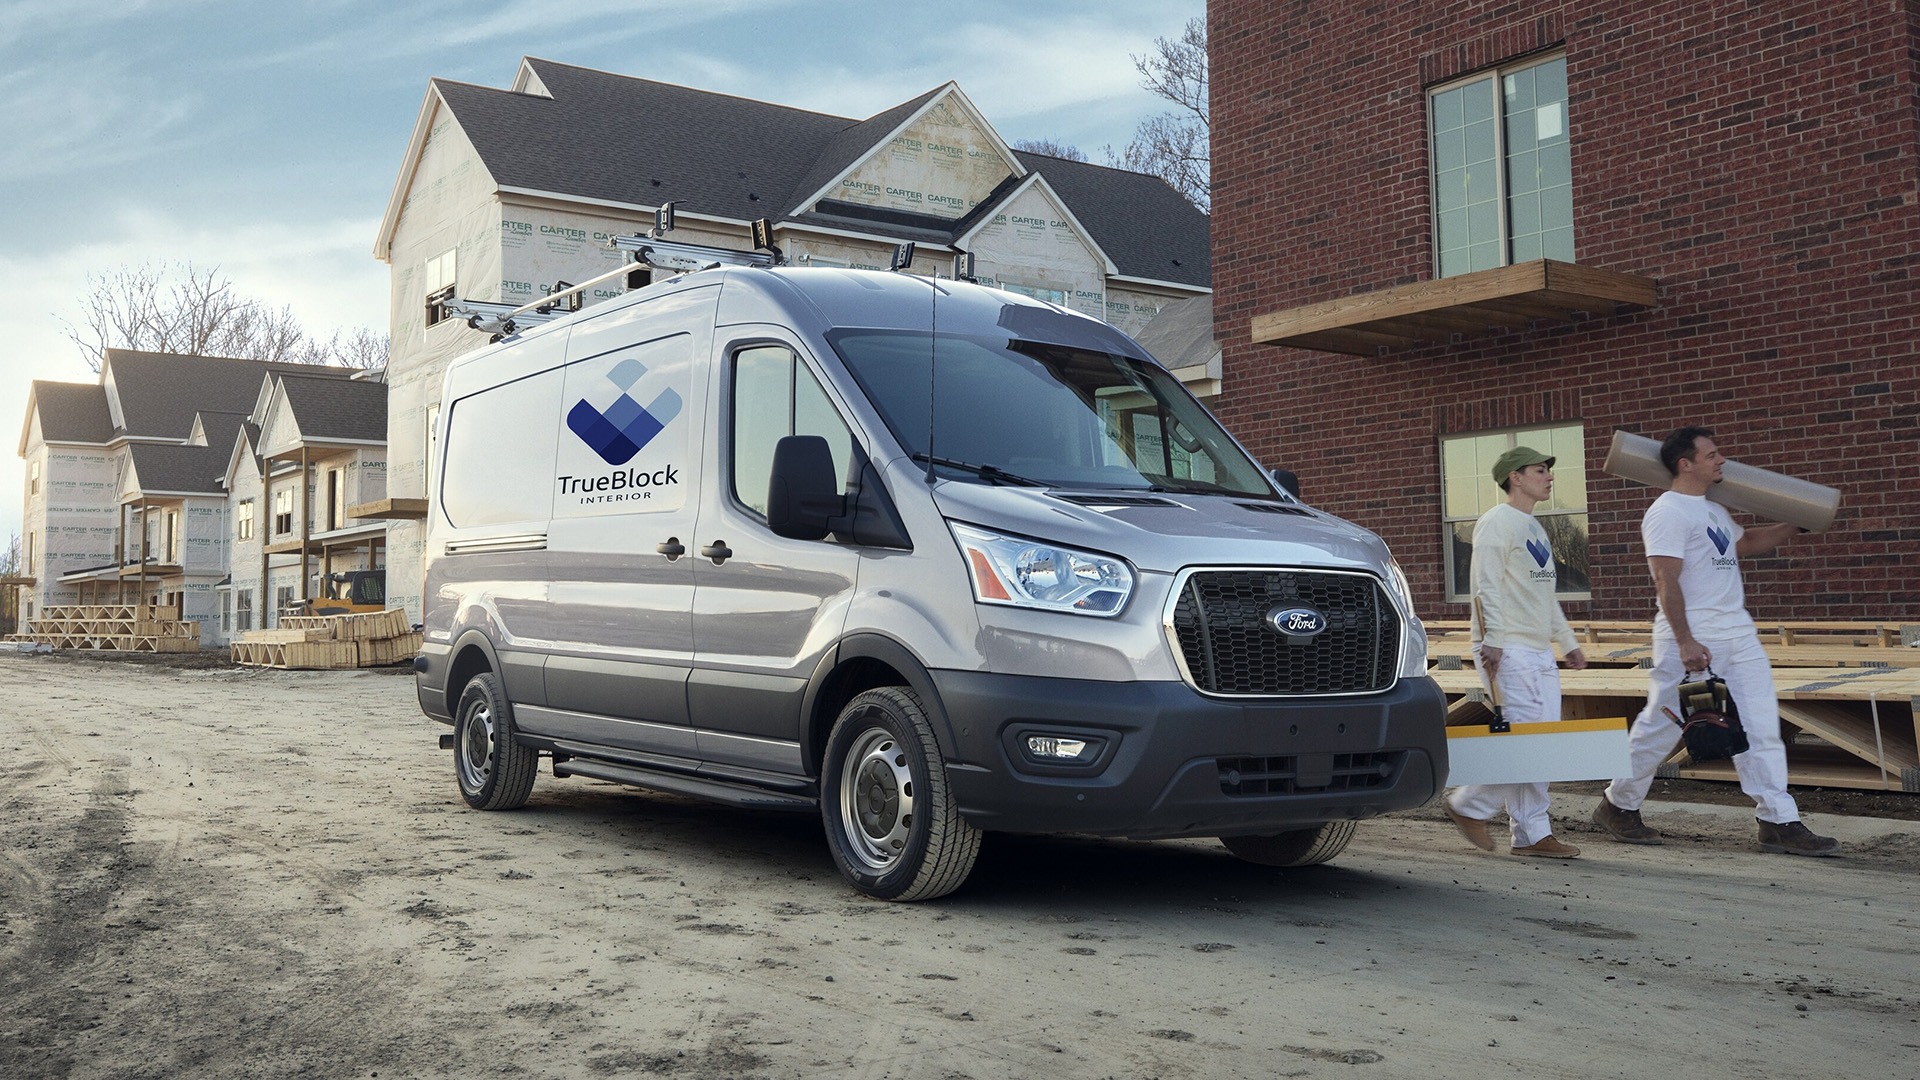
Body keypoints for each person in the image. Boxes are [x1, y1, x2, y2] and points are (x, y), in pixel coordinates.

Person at [1592, 427, 1839, 856]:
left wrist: (1795, 524)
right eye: (1711, 454)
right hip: (1690, 637)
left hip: (1738, 634)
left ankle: (1778, 820)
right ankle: (1618, 804)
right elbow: (1664, 578)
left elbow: (1747, 543)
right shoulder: (1667, 512)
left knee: (1762, 726)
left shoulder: (1713, 510)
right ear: (1685, 464)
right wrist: (1686, 641)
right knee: (1661, 725)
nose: (1721, 459)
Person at [1445, 446, 1589, 858]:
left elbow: (1546, 597)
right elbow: (1484, 586)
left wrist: (1568, 643)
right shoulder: (1496, 522)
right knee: (1524, 742)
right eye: (1540, 470)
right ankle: (1468, 805)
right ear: (1515, 478)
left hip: (1537, 647)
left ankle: (1531, 835)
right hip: (1504, 646)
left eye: (1548, 470)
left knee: (1541, 744)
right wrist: (1492, 640)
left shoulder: (1536, 529)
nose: (1549, 477)